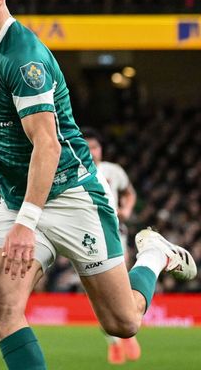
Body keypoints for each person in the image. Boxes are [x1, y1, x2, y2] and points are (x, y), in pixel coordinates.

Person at [0, 0, 197, 370]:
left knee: (123, 323)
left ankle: (154, 254)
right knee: (0, 306)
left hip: (70, 195)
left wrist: (26, 223)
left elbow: (48, 145)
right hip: (18, 199)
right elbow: (0, 123)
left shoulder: (24, 58)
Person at [82, 127, 141, 364]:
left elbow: (129, 193)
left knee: (121, 283)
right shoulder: (73, 170)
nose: (91, 151)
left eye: (94, 146)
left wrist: (126, 209)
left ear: (101, 149)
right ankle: (113, 341)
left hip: (115, 233)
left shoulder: (113, 171)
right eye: (85, 146)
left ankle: (126, 326)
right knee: (98, 292)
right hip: (86, 238)